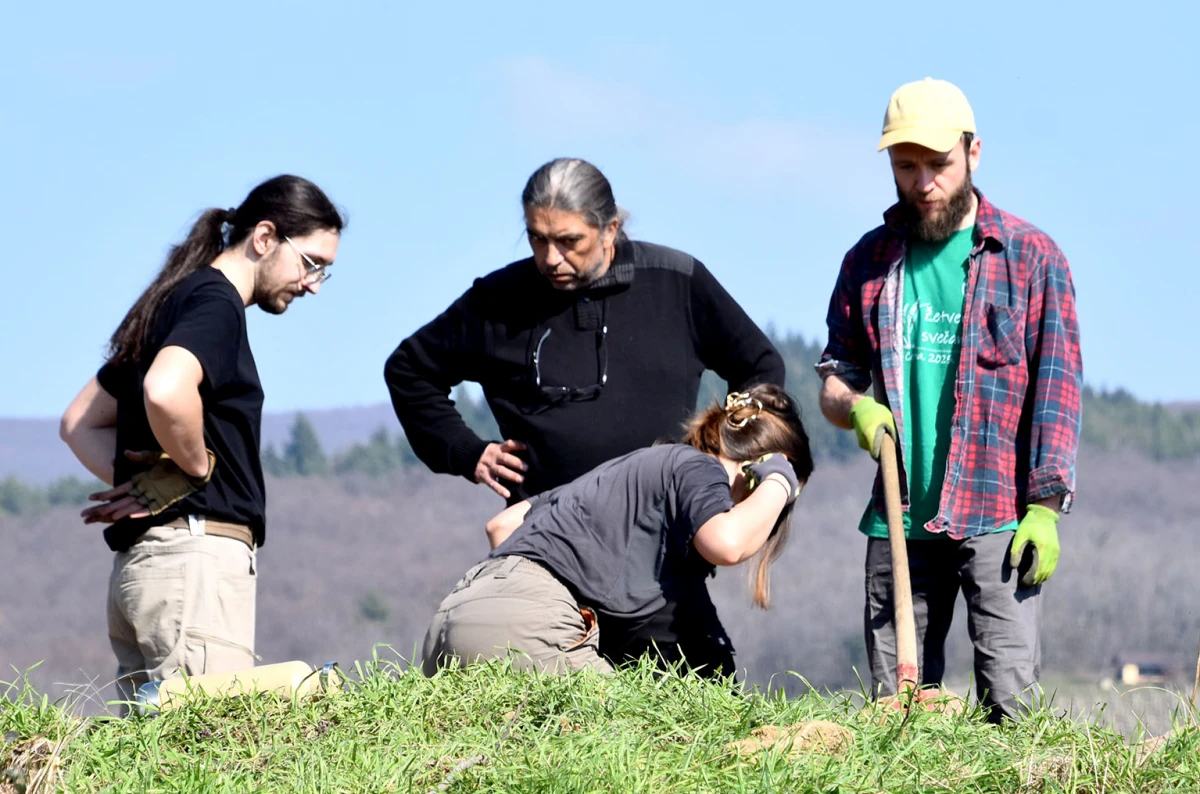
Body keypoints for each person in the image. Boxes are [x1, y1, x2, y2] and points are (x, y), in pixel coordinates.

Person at [385, 157, 785, 675]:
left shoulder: (676, 282)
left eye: (569, 241)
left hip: (659, 553)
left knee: (701, 697)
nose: (550, 258)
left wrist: (724, 464)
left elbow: (760, 368)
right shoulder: (499, 301)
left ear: (610, 228)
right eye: (536, 239)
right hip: (546, 557)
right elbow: (410, 370)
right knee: (562, 721)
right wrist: (468, 451)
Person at [815, 77, 1082, 722]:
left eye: (938, 164)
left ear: (974, 153)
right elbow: (834, 377)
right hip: (900, 521)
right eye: (906, 167)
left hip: (999, 517)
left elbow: (1058, 391)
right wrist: (855, 407)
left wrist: (1045, 510)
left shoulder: (1031, 258)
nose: (923, 181)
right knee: (896, 718)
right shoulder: (869, 261)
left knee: (1012, 709)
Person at [59, 175, 345, 711]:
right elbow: (165, 390)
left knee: (152, 765)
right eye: (310, 263)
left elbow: (80, 423)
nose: (314, 284)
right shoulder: (217, 305)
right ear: (264, 237)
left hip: (147, 571)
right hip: (194, 567)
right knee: (211, 747)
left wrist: (148, 485)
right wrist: (193, 469)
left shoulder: (173, 301)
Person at [422, 383, 813, 676]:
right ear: (755, 470)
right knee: (637, 750)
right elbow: (727, 544)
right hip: (524, 626)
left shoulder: (621, 474)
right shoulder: (700, 467)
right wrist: (780, 482)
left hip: (452, 619)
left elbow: (502, 525)